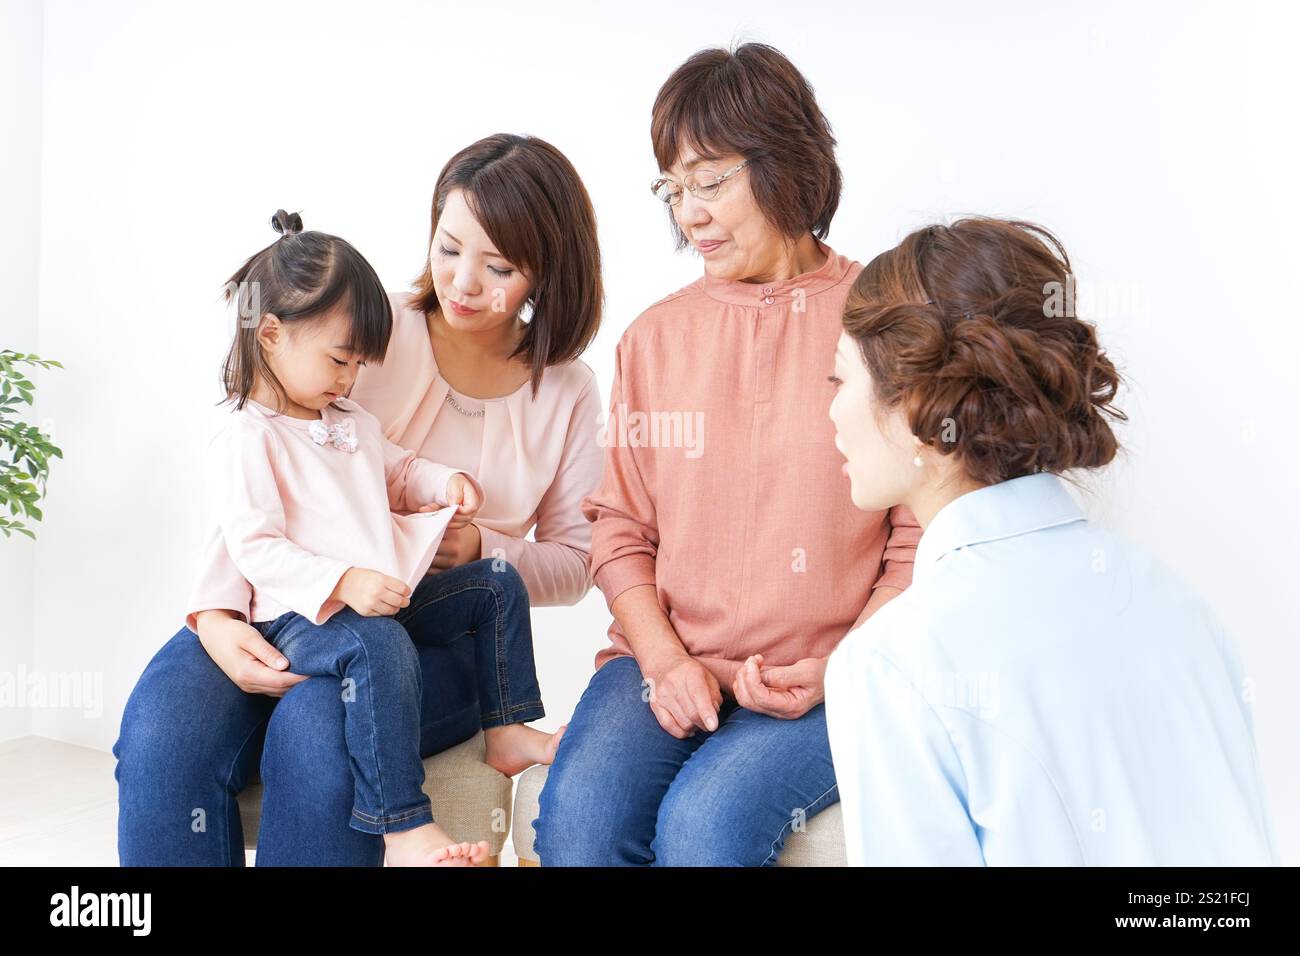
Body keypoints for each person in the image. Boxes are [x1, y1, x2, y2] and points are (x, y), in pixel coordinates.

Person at [114, 134, 604, 865]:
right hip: (285, 600)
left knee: (318, 728)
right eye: (448, 247)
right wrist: (214, 616)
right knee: (163, 730)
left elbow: (576, 562)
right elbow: (265, 469)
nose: (463, 282)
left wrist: (482, 548)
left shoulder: (566, 388)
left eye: (498, 266)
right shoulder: (365, 327)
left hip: (431, 634)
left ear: (546, 273)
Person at [534, 43, 919, 866]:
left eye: (710, 182)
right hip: (664, 661)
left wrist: (841, 669)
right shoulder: (653, 339)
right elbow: (619, 531)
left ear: (786, 162)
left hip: (826, 677)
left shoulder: (882, 322)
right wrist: (666, 660)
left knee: (707, 827)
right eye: (673, 188)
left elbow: (921, 539)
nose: (689, 213)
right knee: (580, 825)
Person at [823, 216, 1278, 865]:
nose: (831, 411)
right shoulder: (1181, 606)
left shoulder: (893, 664)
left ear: (920, 401)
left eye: (839, 379)